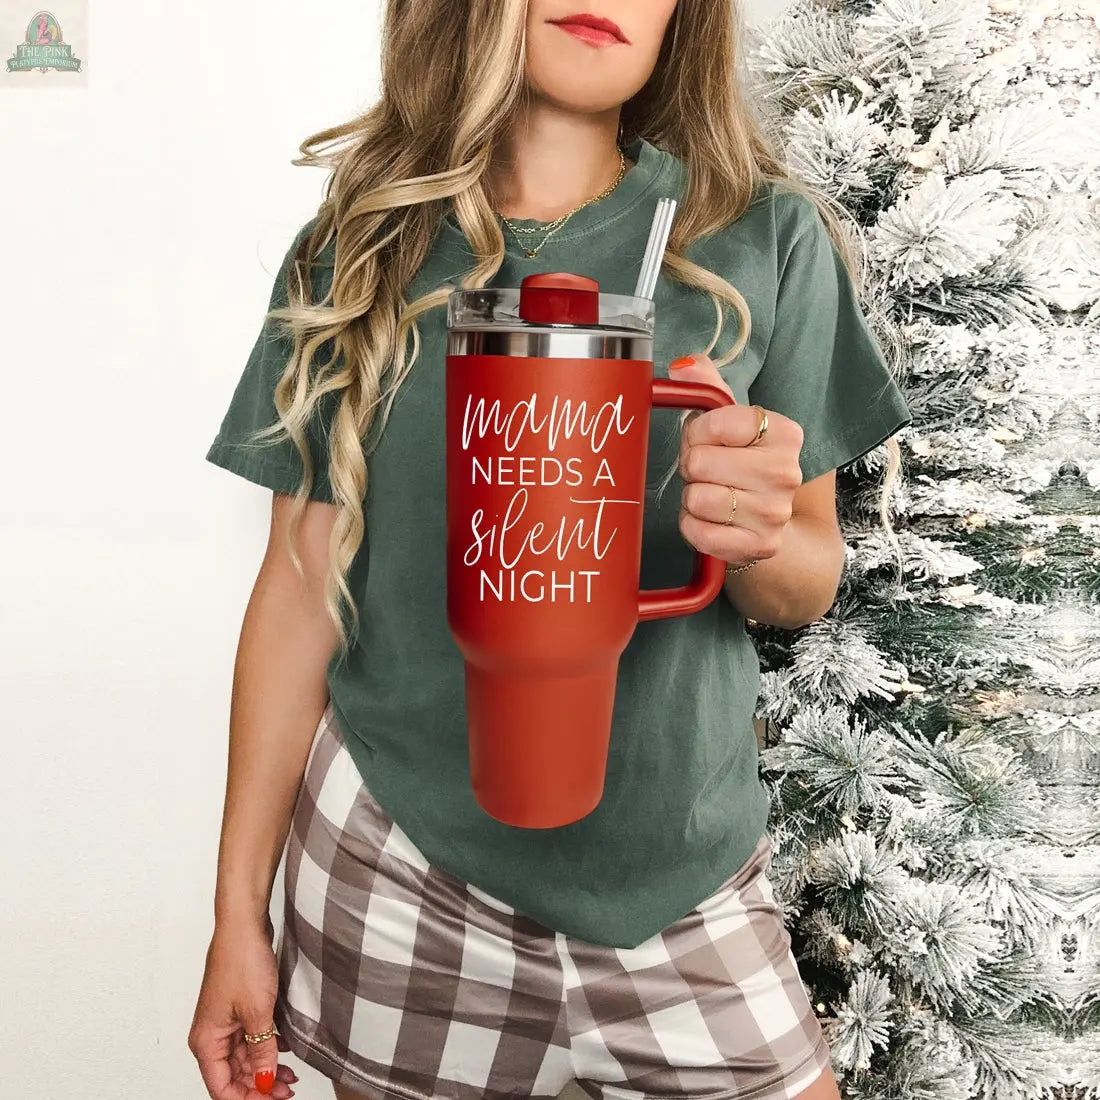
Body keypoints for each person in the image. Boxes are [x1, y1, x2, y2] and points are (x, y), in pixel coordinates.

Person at [188, 1, 913, 1098]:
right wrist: (236, 914)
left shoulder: (764, 236)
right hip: (397, 870)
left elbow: (803, 583)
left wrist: (753, 529)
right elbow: (298, 597)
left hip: (675, 876)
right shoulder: (359, 247)